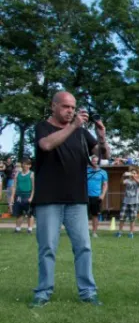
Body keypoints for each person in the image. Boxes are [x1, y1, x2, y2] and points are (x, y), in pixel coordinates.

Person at [30, 91, 110, 307]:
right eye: (66, 107)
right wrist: (73, 126)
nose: (70, 111)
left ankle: (88, 292)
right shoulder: (42, 128)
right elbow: (46, 145)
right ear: (53, 106)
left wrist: (101, 135)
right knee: (47, 248)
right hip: (49, 199)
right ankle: (43, 292)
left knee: (83, 247)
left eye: (73, 107)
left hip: (77, 199)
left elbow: (103, 154)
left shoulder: (82, 133)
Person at [116, 169, 139, 238]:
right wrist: (123, 176)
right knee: (122, 218)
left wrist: (133, 177)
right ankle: (119, 232)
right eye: (131, 173)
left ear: (137, 174)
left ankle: (131, 233)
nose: (132, 174)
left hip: (134, 202)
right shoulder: (127, 180)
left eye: (134, 173)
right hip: (126, 202)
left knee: (132, 219)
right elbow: (121, 183)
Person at [10, 158, 35, 233]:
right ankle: (17, 229)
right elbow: (14, 186)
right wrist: (12, 196)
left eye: (27, 164)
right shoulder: (17, 174)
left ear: (30, 165)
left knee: (29, 213)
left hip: (27, 195)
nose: (25, 165)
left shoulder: (32, 174)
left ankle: (29, 229)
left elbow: (34, 187)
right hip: (19, 195)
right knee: (19, 213)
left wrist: (31, 197)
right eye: (24, 163)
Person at [86, 155, 108, 237]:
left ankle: (94, 232)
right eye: (93, 161)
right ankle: (84, 232)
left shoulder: (103, 172)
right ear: (91, 162)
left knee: (95, 215)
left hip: (96, 196)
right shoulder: (86, 171)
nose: (95, 162)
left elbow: (105, 185)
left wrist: (102, 195)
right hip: (85, 196)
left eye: (96, 161)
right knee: (84, 215)